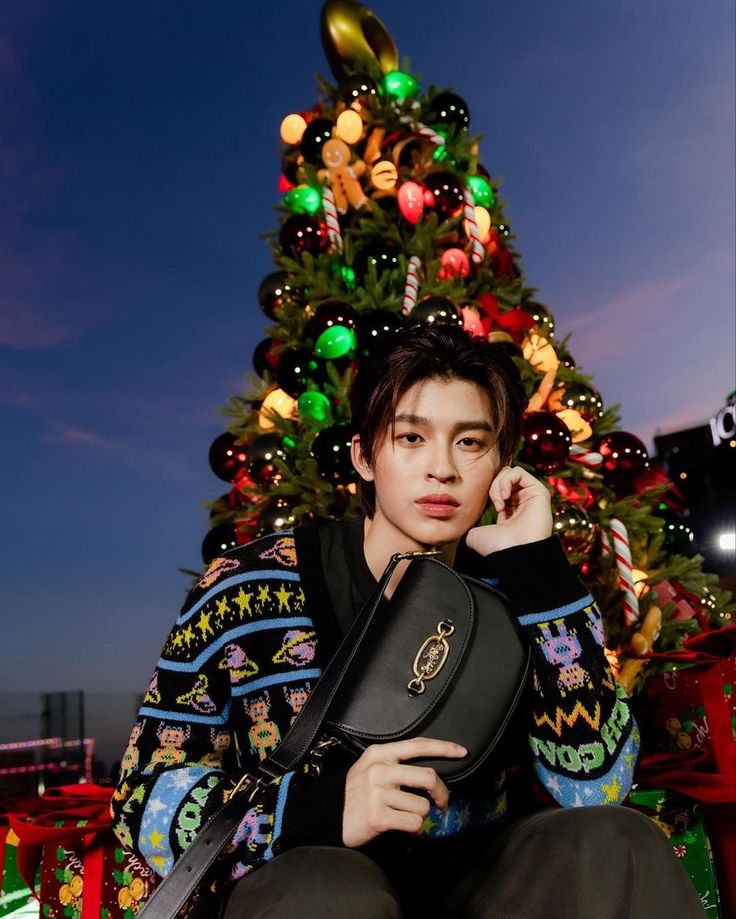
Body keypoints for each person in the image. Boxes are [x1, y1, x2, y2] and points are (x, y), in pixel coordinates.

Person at [112, 325, 705, 918]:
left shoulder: (521, 589)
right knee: (326, 891)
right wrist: (316, 811)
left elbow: (596, 787)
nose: (441, 469)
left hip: (482, 885)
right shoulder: (244, 587)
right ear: (364, 456)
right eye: (411, 438)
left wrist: (538, 568)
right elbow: (142, 798)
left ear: (501, 463)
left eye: (470, 443)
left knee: (614, 839)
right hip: (307, 882)